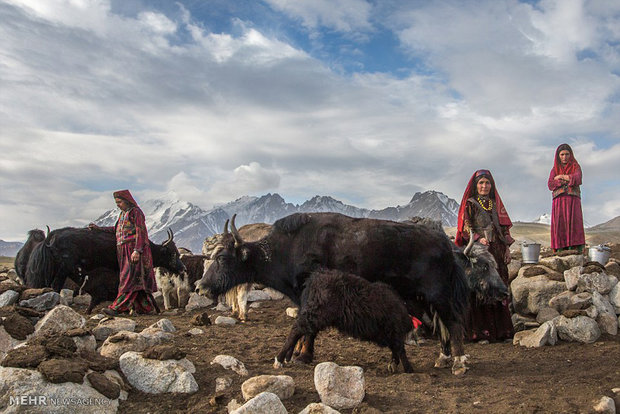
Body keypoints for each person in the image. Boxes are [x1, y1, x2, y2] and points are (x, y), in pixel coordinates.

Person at [455, 169, 515, 342]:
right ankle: (481, 333)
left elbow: (503, 230)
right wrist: (478, 238)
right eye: (481, 183)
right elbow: (466, 227)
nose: (484, 186)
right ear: (476, 185)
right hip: (479, 252)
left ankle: (502, 332)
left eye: (487, 183)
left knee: (499, 287)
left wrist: (507, 249)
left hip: (497, 251)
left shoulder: (495, 204)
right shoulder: (470, 204)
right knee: (482, 289)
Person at [89, 190, 158, 316]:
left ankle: (118, 307)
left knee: (128, 279)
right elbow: (115, 230)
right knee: (136, 280)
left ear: (126, 201)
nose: (118, 205)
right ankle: (146, 308)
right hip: (124, 250)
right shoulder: (123, 214)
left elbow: (140, 231)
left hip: (134, 250)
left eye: (120, 202)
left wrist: (137, 250)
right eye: (117, 202)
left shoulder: (135, 212)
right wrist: (99, 229)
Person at [547, 143, 585, 254]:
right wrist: (567, 179)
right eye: (562, 154)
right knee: (560, 223)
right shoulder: (554, 169)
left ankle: (575, 247)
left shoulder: (575, 166)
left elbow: (578, 179)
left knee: (575, 221)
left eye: (567, 154)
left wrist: (561, 177)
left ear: (571, 154)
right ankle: (560, 248)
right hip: (559, 201)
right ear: (558, 156)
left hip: (573, 200)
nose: (565, 157)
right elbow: (550, 184)